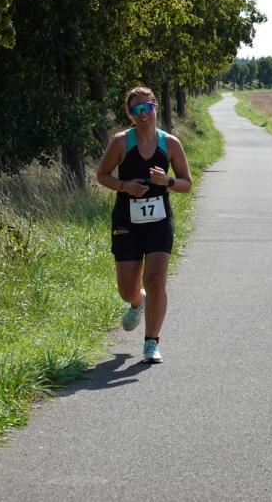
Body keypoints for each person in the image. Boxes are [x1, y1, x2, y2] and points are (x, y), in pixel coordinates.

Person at [96, 86, 192, 363]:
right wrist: (124, 186)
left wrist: (168, 181)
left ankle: (151, 343)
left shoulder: (170, 144)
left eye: (148, 107)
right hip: (127, 219)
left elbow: (186, 183)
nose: (143, 114)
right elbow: (102, 175)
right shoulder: (120, 142)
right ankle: (138, 301)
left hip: (159, 221)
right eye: (137, 109)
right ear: (130, 114)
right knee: (127, 289)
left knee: (156, 279)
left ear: (156, 107)